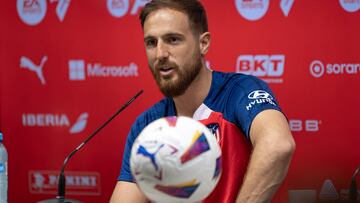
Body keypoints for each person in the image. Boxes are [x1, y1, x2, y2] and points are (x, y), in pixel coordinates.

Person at [110, 0, 295, 202]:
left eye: (173, 39)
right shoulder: (147, 125)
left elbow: (278, 145)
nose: (160, 54)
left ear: (203, 43)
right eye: (151, 42)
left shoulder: (239, 91)